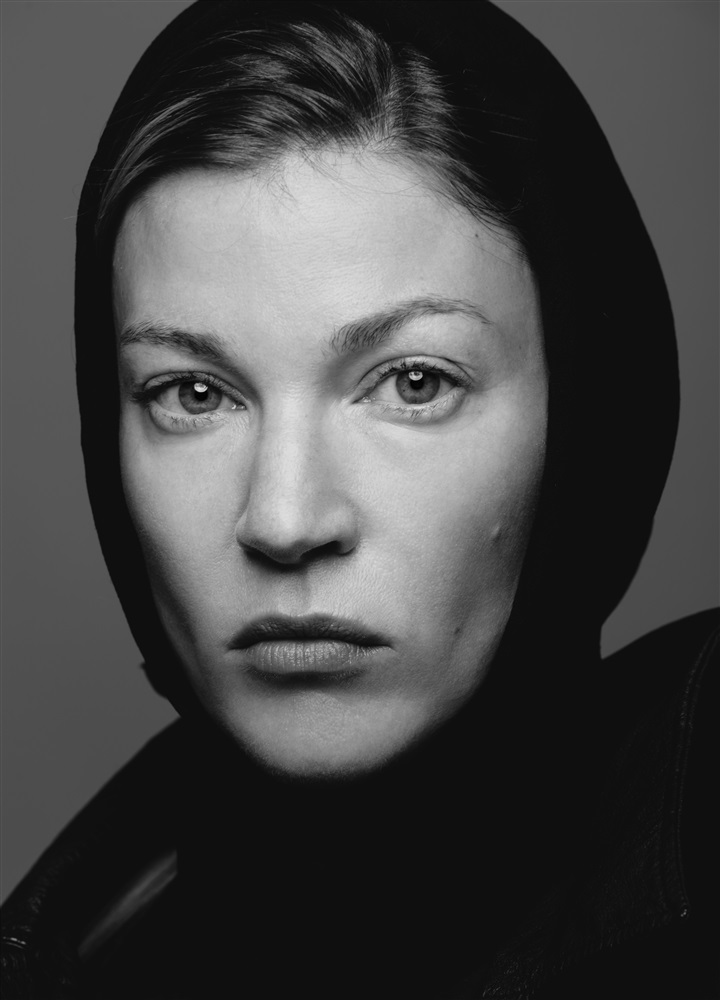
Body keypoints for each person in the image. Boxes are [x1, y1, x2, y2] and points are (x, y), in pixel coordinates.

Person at [2, 2, 717, 998]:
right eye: (193, 394)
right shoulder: (72, 949)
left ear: (589, 414)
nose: (285, 520)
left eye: (414, 383)